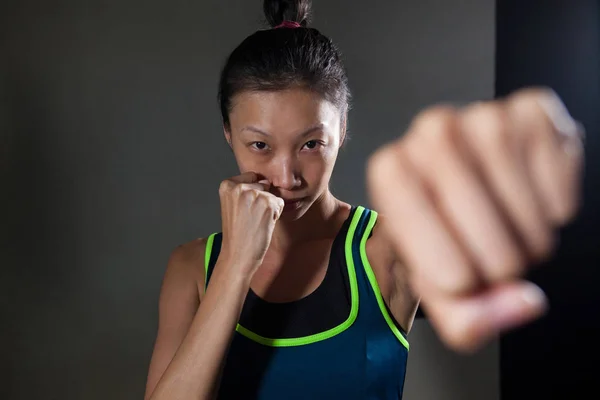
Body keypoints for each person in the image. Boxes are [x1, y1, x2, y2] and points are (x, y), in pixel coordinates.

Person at [144, 1, 584, 399]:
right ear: (228, 134)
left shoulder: (387, 249)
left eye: (311, 144)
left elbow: (482, 242)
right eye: (259, 146)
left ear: (342, 129)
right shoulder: (192, 269)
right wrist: (236, 264)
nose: (287, 176)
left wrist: (513, 174)